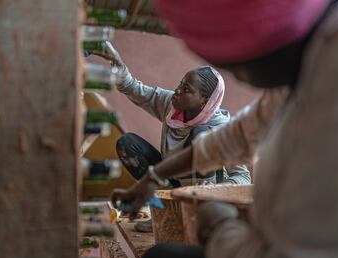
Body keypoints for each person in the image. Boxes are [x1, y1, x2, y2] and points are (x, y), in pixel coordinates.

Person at [111, 0, 338, 258]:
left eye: (237, 67)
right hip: (275, 246)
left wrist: (220, 229)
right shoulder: (313, 48)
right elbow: (240, 135)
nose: (241, 78)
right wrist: (153, 176)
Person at [98, 42, 251, 232]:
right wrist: (116, 61)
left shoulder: (221, 128)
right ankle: (167, 211)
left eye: (187, 89)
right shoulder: (172, 105)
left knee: (201, 135)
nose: (178, 90)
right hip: (173, 180)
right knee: (127, 144)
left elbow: (243, 176)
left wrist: (216, 191)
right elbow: (135, 89)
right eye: (181, 84)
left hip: (208, 194)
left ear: (204, 101)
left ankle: (195, 213)